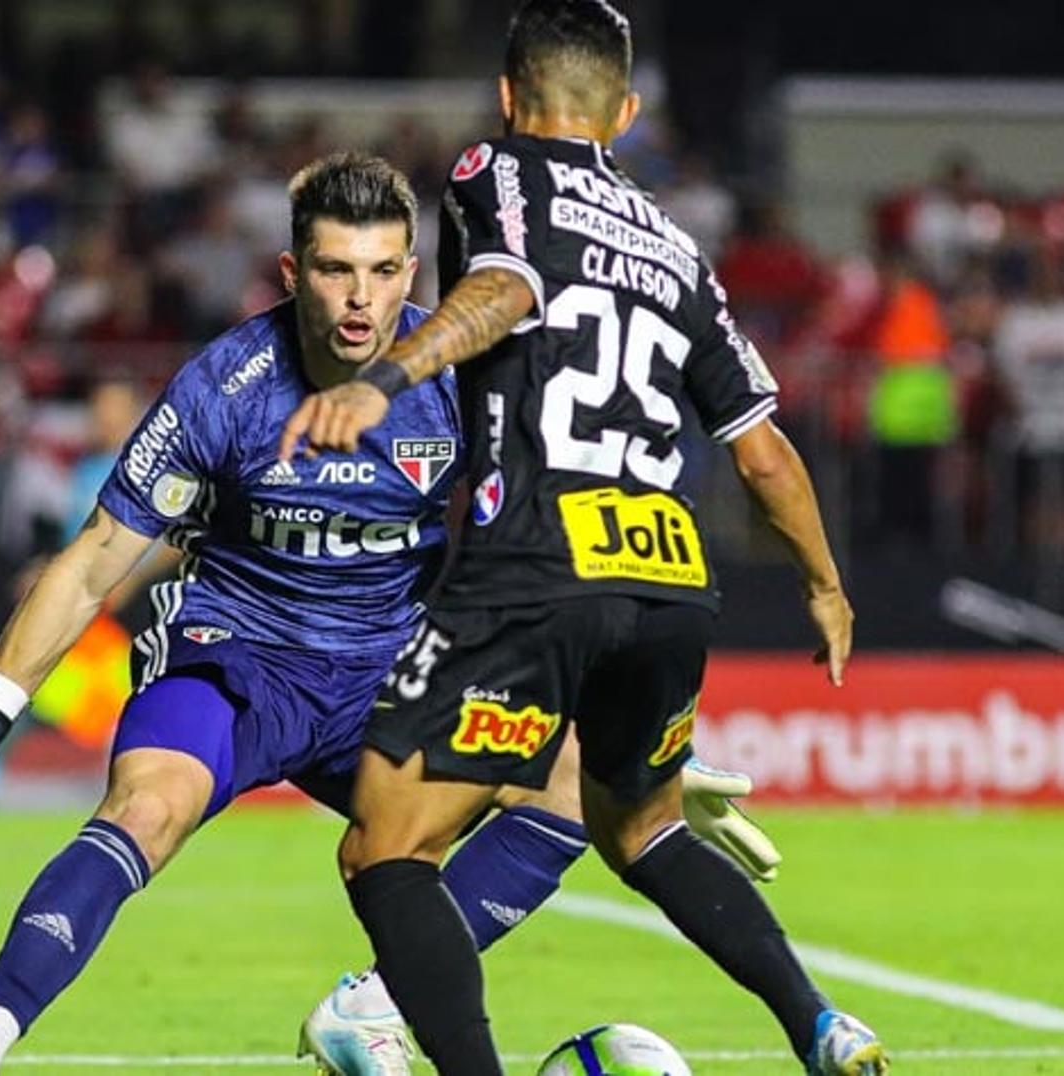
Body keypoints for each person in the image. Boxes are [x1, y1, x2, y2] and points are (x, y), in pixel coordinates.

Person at [0, 152, 776, 1076]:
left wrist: (642, 750)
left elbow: (552, 553)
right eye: (336, 270)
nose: (362, 298)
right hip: (237, 659)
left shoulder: (462, 379)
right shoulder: (223, 390)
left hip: (386, 682)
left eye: (385, 271)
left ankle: (371, 1008)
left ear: (414, 273)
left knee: (574, 782)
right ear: (292, 273)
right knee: (148, 805)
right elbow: (89, 567)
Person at [276, 3, 886, 1074]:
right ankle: (823, 1024)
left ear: (510, 98)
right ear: (627, 113)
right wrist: (826, 587)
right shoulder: (677, 248)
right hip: (671, 573)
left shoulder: (495, 173)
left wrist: (389, 377)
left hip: (539, 557)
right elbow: (763, 453)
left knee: (383, 843)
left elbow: (507, 288)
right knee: (643, 827)